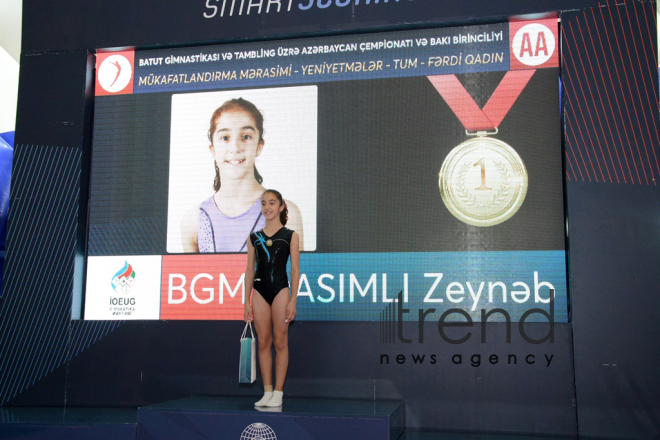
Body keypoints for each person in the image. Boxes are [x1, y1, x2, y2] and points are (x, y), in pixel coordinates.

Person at [181, 98, 304, 252]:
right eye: (225, 138)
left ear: (259, 146)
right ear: (212, 149)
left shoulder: (286, 214)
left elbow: (298, 275)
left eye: (246, 137)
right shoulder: (193, 220)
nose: (235, 147)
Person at [244, 189, 300, 408]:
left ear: (281, 206)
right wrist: (245, 301)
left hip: (280, 291)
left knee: (280, 341)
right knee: (264, 342)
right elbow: (250, 271)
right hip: (259, 292)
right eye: (264, 203)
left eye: (272, 203)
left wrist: (293, 299)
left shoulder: (290, 236)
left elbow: (295, 270)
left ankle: (278, 392)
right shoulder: (253, 237)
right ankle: (267, 391)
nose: (267, 208)